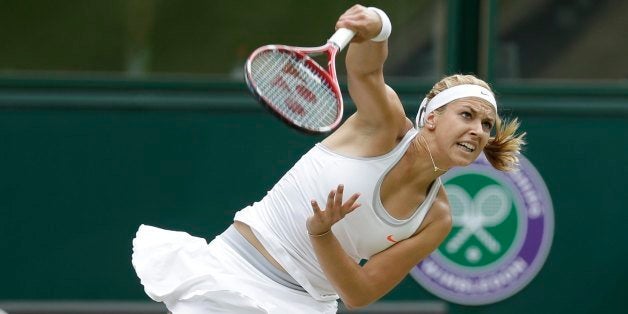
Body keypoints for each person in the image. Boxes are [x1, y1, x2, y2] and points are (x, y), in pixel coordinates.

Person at [131, 4, 525, 314]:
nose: (478, 130)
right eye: (467, 115)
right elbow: (368, 71)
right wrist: (377, 27)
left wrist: (322, 235)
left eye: (487, 124)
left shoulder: (437, 218)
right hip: (233, 271)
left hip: (304, 306)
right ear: (432, 119)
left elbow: (360, 292)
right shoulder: (384, 122)